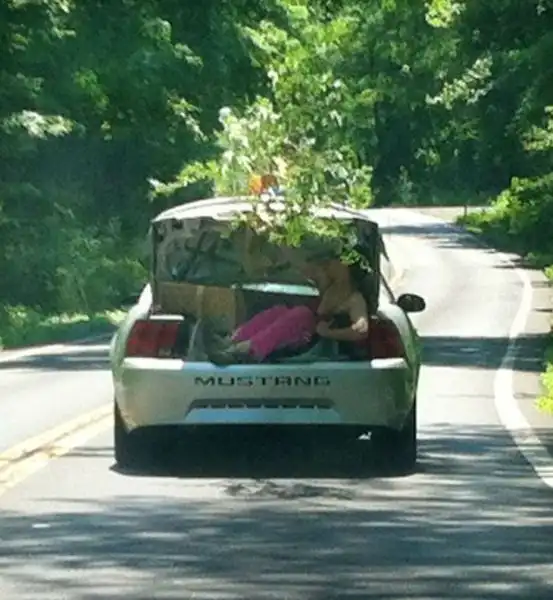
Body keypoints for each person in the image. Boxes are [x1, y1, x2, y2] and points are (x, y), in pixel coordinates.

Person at [204, 257, 370, 364]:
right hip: (303, 334)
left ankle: (246, 351)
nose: (327, 266)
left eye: (332, 263)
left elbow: (361, 331)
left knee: (302, 314)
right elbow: (301, 266)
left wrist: (328, 333)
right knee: (279, 311)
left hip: (318, 342)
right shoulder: (326, 288)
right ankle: (233, 341)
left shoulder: (354, 298)